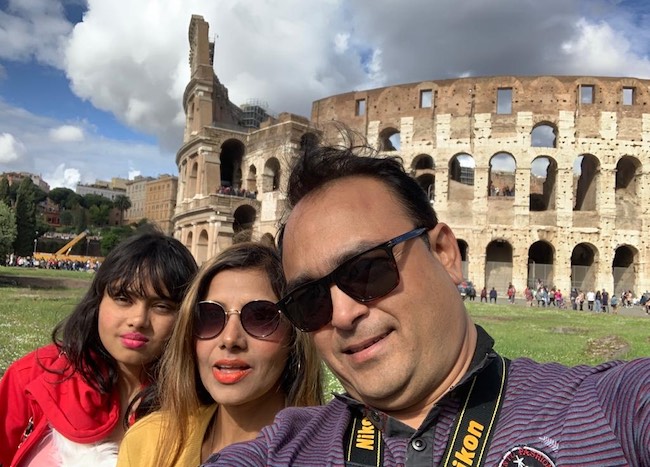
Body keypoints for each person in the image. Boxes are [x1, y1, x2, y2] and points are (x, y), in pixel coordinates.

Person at [205, 142, 649, 467]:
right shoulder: (283, 450)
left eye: (367, 270)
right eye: (310, 300)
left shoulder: (610, 408)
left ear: (445, 254)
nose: (342, 315)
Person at [0, 230, 198, 466]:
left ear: (186, 316)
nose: (138, 319)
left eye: (162, 306)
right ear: (98, 301)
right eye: (124, 298)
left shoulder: (198, 405)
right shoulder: (35, 374)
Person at [117, 242, 324, 466]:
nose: (229, 339)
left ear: (294, 338)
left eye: (261, 317)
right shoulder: (147, 441)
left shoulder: (331, 457)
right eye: (209, 316)